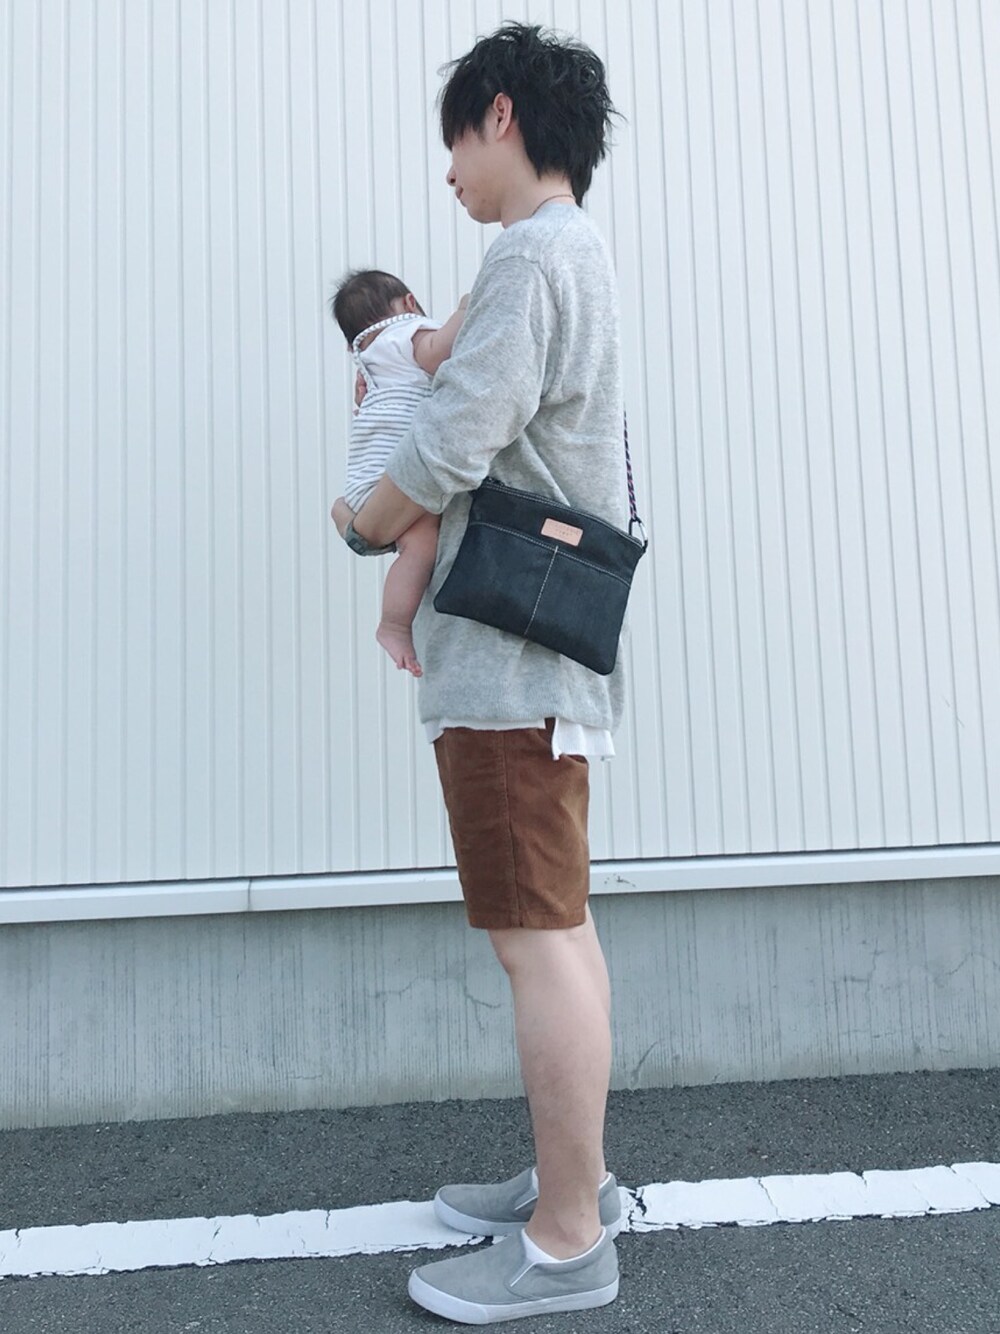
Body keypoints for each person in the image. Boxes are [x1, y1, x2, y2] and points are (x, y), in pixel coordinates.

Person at [332, 21, 626, 1324]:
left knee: (534, 941)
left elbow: (455, 440)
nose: (448, 171)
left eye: (455, 138)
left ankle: (566, 1244)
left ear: (500, 114)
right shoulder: (575, 251)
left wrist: (361, 519)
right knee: (561, 928)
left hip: (506, 667)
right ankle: (578, 1183)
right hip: (545, 658)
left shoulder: (527, 256)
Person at [330, 270, 467, 676]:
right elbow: (439, 351)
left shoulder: (371, 361)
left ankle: (394, 623)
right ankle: (393, 624)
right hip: (389, 479)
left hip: (366, 482)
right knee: (421, 548)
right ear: (409, 304)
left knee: (417, 545)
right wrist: (466, 310)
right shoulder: (405, 334)